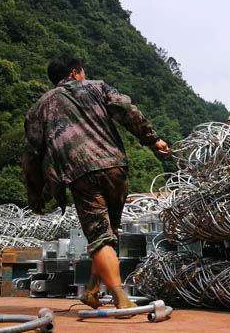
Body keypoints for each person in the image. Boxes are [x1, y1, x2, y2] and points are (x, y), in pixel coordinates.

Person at [22, 56, 170, 310]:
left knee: (101, 237)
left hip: (80, 174)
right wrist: (152, 139)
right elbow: (127, 111)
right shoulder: (97, 87)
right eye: (83, 72)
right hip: (114, 167)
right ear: (75, 73)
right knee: (107, 235)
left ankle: (118, 297)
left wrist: (35, 196)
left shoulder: (39, 108)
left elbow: (32, 156)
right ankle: (94, 291)